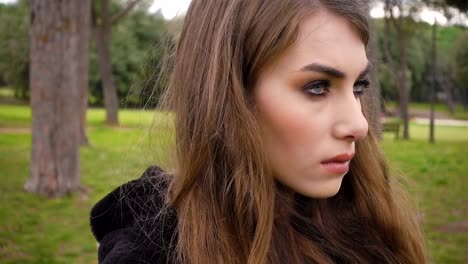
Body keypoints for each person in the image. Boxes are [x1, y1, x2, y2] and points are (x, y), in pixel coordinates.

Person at [90, 0, 429, 263]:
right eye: (317, 87)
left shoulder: (370, 228)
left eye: (359, 86)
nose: (359, 125)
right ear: (229, 95)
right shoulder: (152, 252)